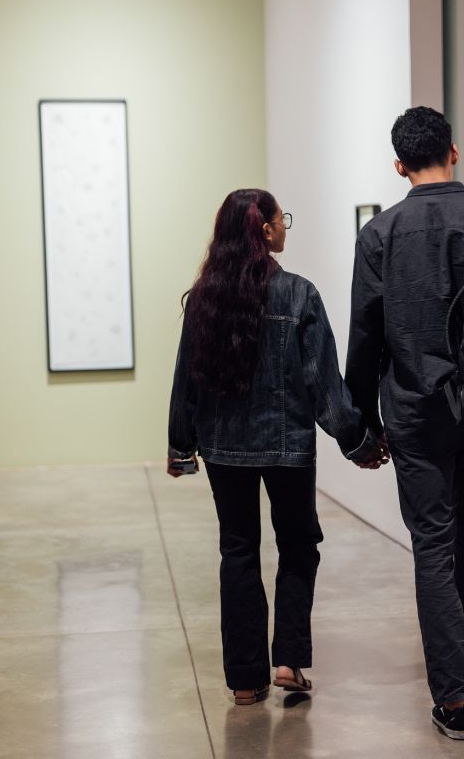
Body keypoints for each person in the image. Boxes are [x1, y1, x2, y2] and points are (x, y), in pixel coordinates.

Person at [345, 107, 464, 740]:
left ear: (399, 166)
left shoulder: (380, 235)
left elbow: (366, 337)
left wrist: (361, 425)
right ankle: (462, 666)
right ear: (454, 151)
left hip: (416, 412)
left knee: (433, 544)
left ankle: (455, 698)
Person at [168, 188, 388, 706]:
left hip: (225, 450)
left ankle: (246, 681)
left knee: (238, 551)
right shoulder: (298, 295)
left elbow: (186, 380)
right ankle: (287, 660)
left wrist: (183, 446)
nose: (285, 227)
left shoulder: (205, 297)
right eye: (280, 219)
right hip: (288, 447)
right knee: (297, 546)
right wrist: (357, 440)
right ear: (265, 230)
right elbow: (322, 384)